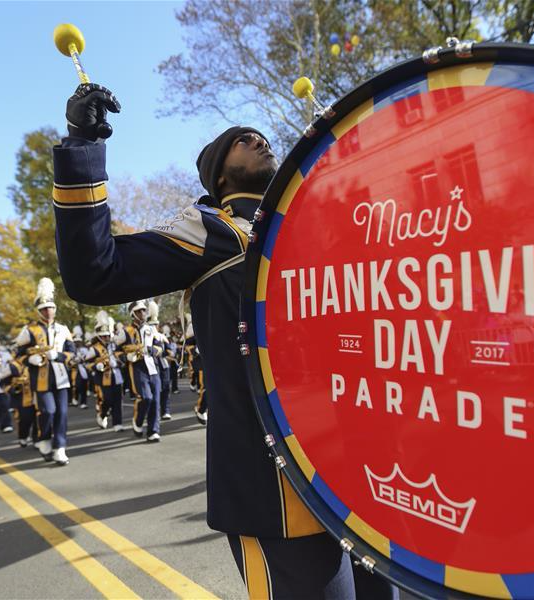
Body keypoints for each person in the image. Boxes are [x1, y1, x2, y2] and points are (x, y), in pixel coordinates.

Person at [51, 83, 397, 599]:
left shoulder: (314, 226)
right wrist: (82, 148)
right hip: (275, 486)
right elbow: (95, 273)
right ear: (218, 173)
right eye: (243, 139)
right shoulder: (213, 229)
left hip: (359, 473)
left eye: (261, 137)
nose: (259, 140)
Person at [15, 277, 76, 466]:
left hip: (61, 377)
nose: (48, 311)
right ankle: (44, 439)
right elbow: (18, 354)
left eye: (50, 308)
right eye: (43, 309)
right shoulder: (29, 330)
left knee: (62, 413)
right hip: (41, 379)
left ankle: (60, 448)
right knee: (48, 411)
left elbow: (71, 352)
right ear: (38, 311)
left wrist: (57, 356)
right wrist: (30, 359)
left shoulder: (63, 329)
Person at [117, 301, 161, 441]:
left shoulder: (151, 329)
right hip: (137, 367)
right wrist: (126, 357)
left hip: (153, 366)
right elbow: (116, 351)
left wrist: (151, 350)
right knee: (146, 397)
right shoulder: (125, 331)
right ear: (133, 314)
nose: (142, 313)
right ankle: (138, 420)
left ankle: (153, 431)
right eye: (139, 311)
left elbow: (160, 347)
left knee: (155, 400)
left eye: (143, 311)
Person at [85, 310, 126, 431]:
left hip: (117, 376)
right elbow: (87, 363)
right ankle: (102, 414)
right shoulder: (95, 349)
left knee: (118, 401)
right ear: (99, 336)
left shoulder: (114, 345)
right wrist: (96, 366)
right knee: (107, 400)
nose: (106, 337)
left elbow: (122, 357)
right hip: (103, 379)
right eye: (103, 336)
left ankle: (117, 423)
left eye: (107, 335)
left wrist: (120, 361)